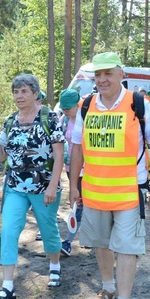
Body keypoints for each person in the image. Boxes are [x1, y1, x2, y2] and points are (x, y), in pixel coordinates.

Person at [69, 52, 150, 299]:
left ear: (121, 74)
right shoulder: (85, 105)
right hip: (95, 192)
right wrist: (74, 185)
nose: (102, 79)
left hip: (128, 193)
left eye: (108, 73)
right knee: (101, 244)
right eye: (97, 75)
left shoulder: (138, 104)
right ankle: (108, 289)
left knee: (125, 248)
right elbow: (77, 148)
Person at [0, 74, 65, 299]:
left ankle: (55, 264)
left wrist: (52, 184)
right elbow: (0, 156)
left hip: (44, 186)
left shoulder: (49, 117)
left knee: (48, 229)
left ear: (36, 93)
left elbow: (59, 155)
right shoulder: (10, 121)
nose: (19, 96)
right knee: (8, 230)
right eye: (16, 92)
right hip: (16, 186)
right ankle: (7, 285)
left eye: (24, 91)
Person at [57, 88, 82, 256]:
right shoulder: (63, 121)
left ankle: (68, 241)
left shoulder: (86, 118)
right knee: (78, 203)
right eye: (63, 108)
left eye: (68, 108)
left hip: (88, 170)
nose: (65, 111)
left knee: (80, 205)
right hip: (70, 169)